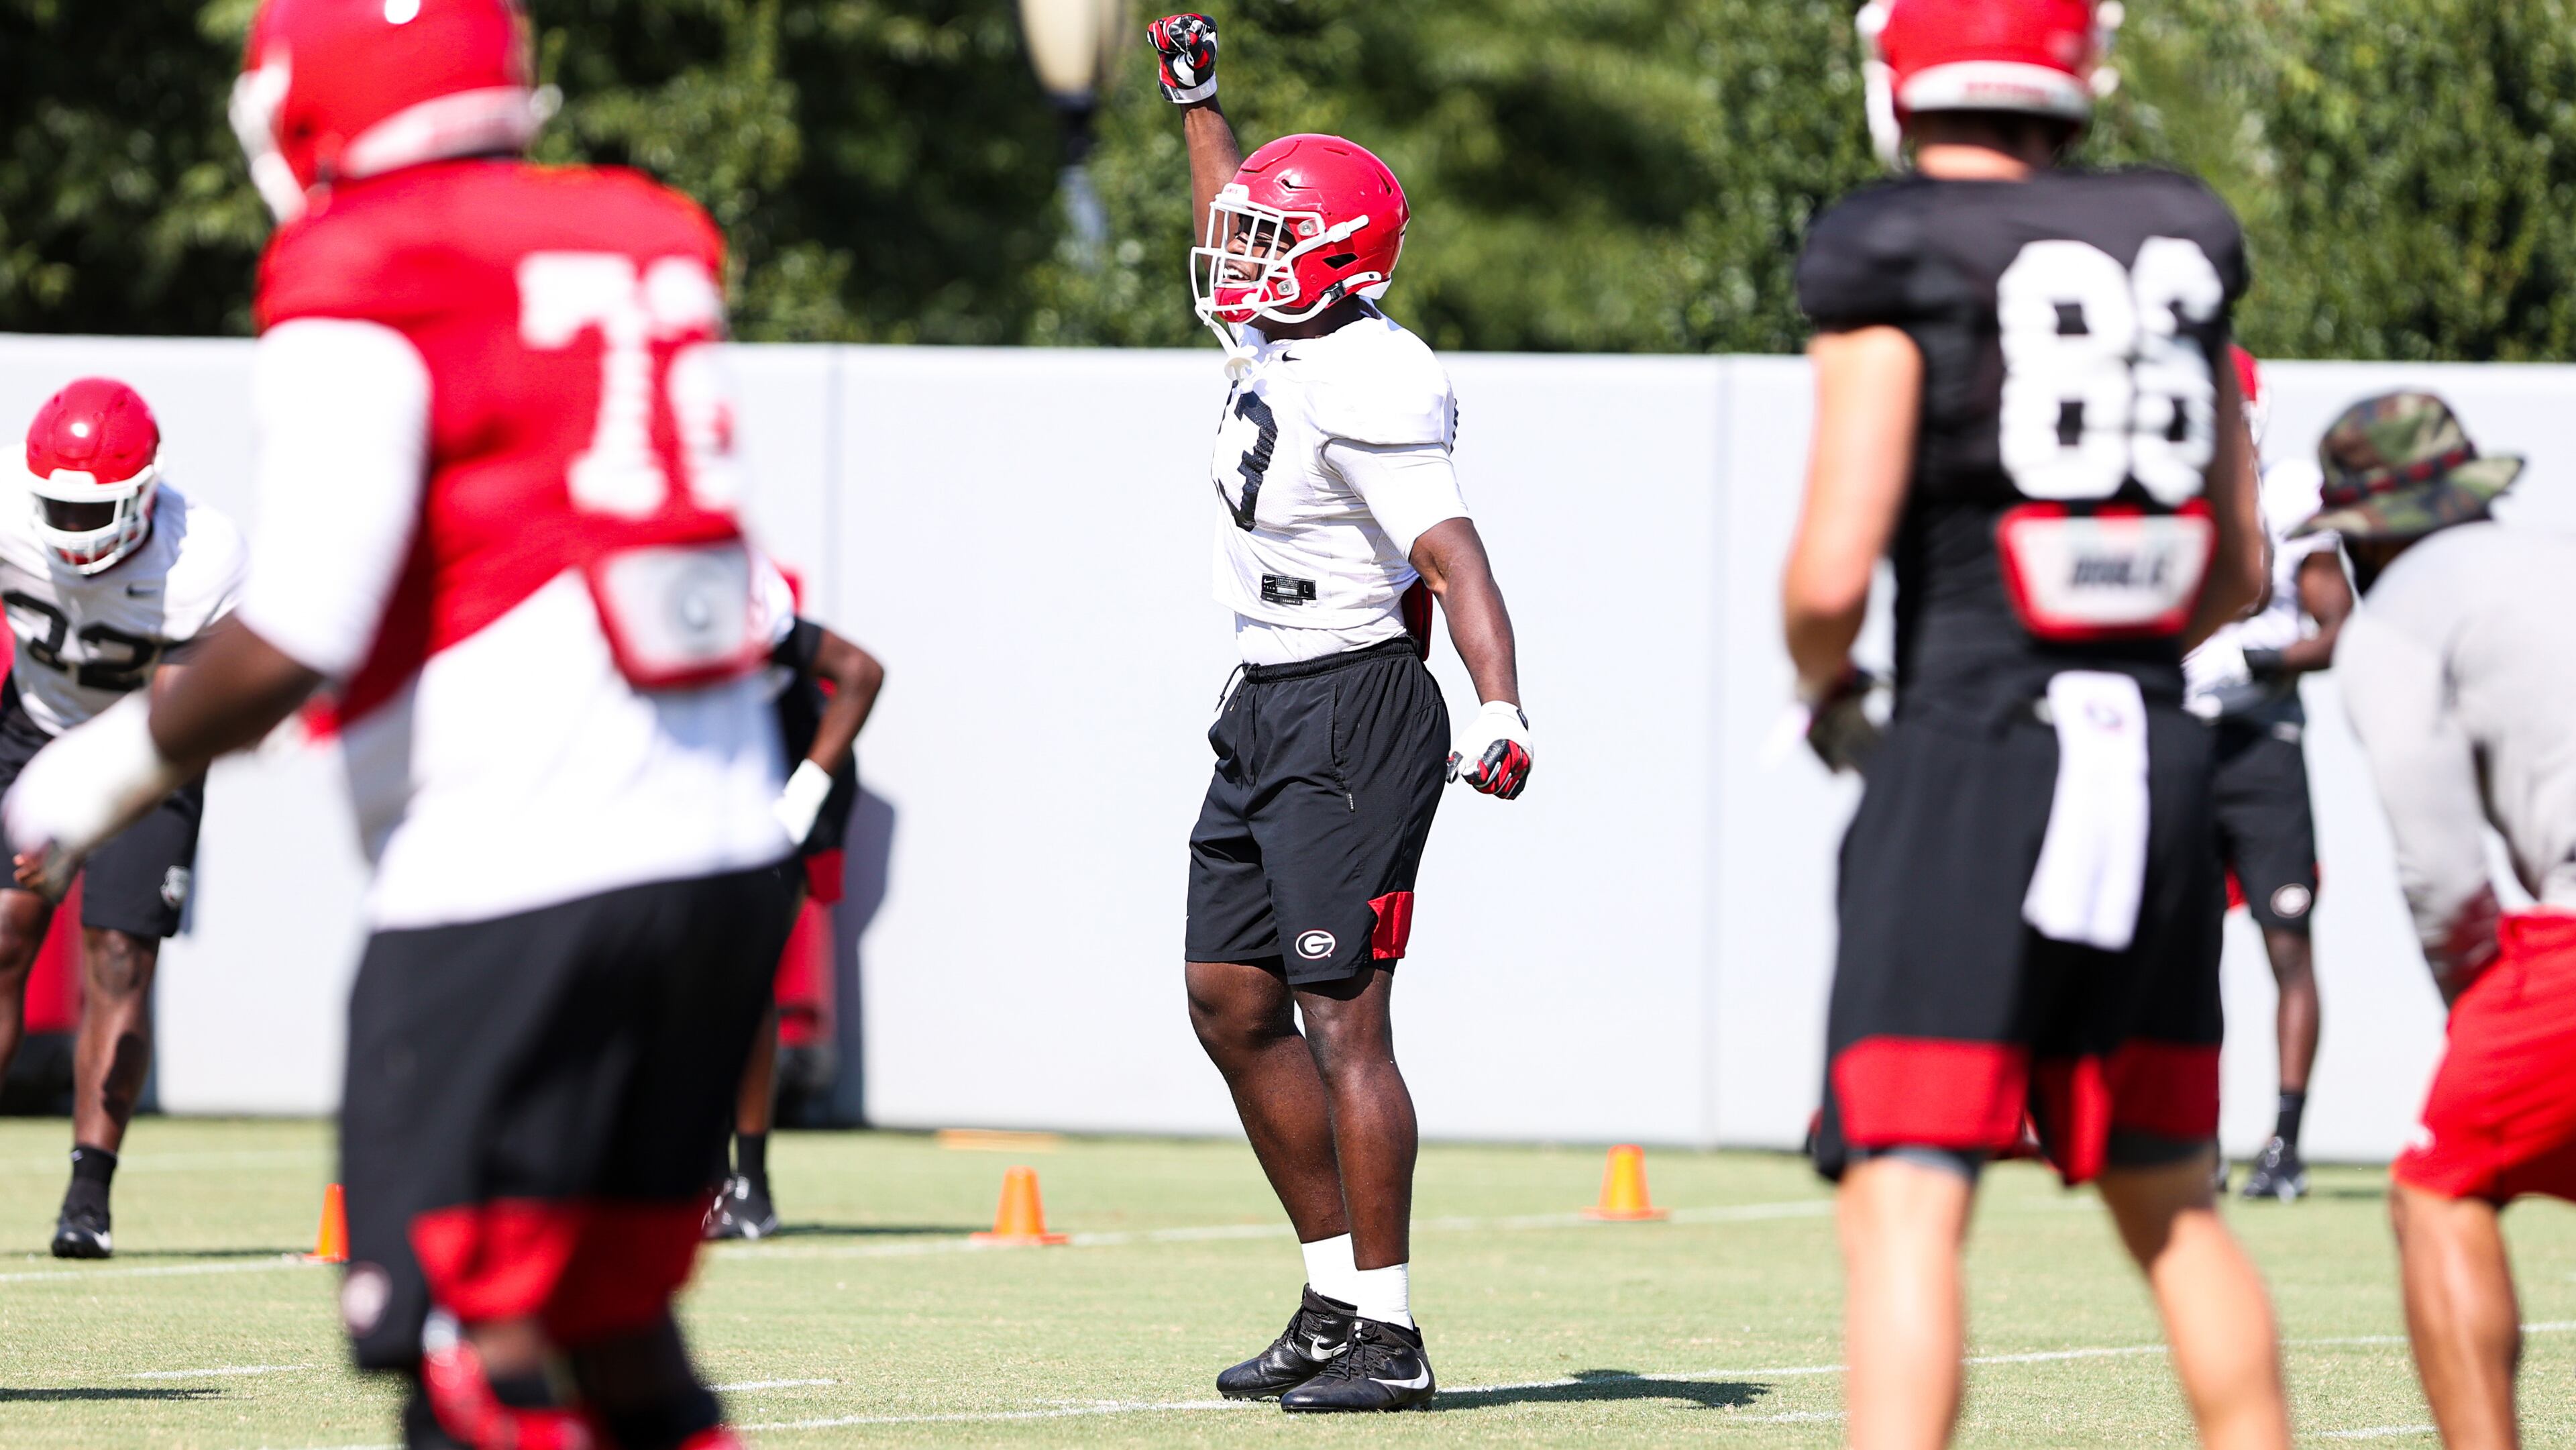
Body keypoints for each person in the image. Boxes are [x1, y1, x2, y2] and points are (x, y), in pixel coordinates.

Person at [4, 2, 798, 1445]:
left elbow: (312, 619)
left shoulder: (368, 255)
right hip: (723, 856)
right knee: (615, 1338)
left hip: (523, 868)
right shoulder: (639, 228)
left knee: (459, 1352)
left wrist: (81, 776)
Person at [1781, 2, 2291, 1446]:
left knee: (1905, 1194)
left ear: (1902, 74)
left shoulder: (1896, 248)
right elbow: (2237, 571)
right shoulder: (2175, 245)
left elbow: (1831, 572)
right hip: (2158, 751)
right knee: (2172, 1204)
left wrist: (1829, 688)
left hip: (1972, 748)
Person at [1146, 12, 1533, 1414]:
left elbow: (1453, 554)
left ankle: (1394, 1332)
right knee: (1229, 997)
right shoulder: (1276, 324)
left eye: (1266, 239)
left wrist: (1499, 703)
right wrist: (1203, 107)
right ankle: (1327, 1299)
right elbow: (1227, 207)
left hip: (1355, 705)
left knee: (1341, 1017)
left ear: (1339, 262)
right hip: (1261, 699)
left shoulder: (1374, 369)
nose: (1235, 254)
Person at [2312, 392, 2571, 1450]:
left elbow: (2442, 871)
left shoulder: (2398, 624)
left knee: (2438, 1187)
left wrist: (2477, 995)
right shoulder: (2555, 560)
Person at [0, 378, 245, 1259]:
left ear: (144, 492)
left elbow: (170, 731)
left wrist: (74, 833)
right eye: (55, 506)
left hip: (148, 747)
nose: (69, 529)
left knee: (117, 952)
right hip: (32, 725)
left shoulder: (200, 556)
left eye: (89, 508)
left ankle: (87, 1195)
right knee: (3, 935)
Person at [2184, 348, 2354, 1202]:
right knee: (2186, 950)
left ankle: (2284, 1141)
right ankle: (2195, 1140)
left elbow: (2337, 625)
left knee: (2287, 939)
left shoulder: (2288, 492)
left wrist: (2271, 660)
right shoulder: (2169, 483)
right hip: (2183, 742)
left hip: (2262, 745)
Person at [706, 560, 882, 1242]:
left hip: (787, 787)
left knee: (740, 979)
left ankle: (748, 1187)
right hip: (715, 790)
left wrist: (800, 798)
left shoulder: (727, 597)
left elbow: (862, 673)